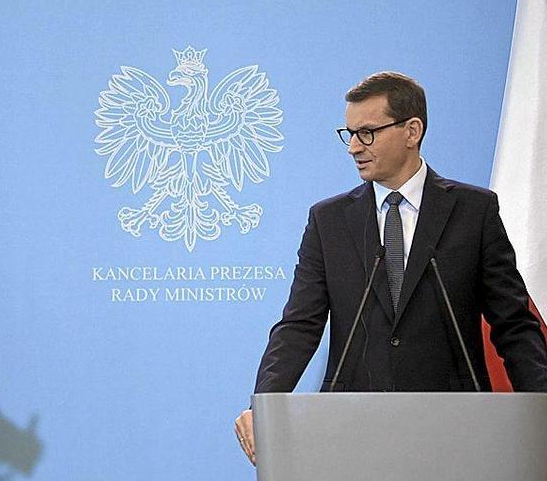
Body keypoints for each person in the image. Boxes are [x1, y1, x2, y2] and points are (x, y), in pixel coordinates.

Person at [234, 71, 547, 464]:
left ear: (412, 130)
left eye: (367, 133)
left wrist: (540, 405)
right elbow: (300, 324)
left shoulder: (474, 211)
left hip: (458, 428)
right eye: (348, 133)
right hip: (350, 426)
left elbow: (513, 323)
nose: (353, 147)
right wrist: (263, 405)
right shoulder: (328, 220)